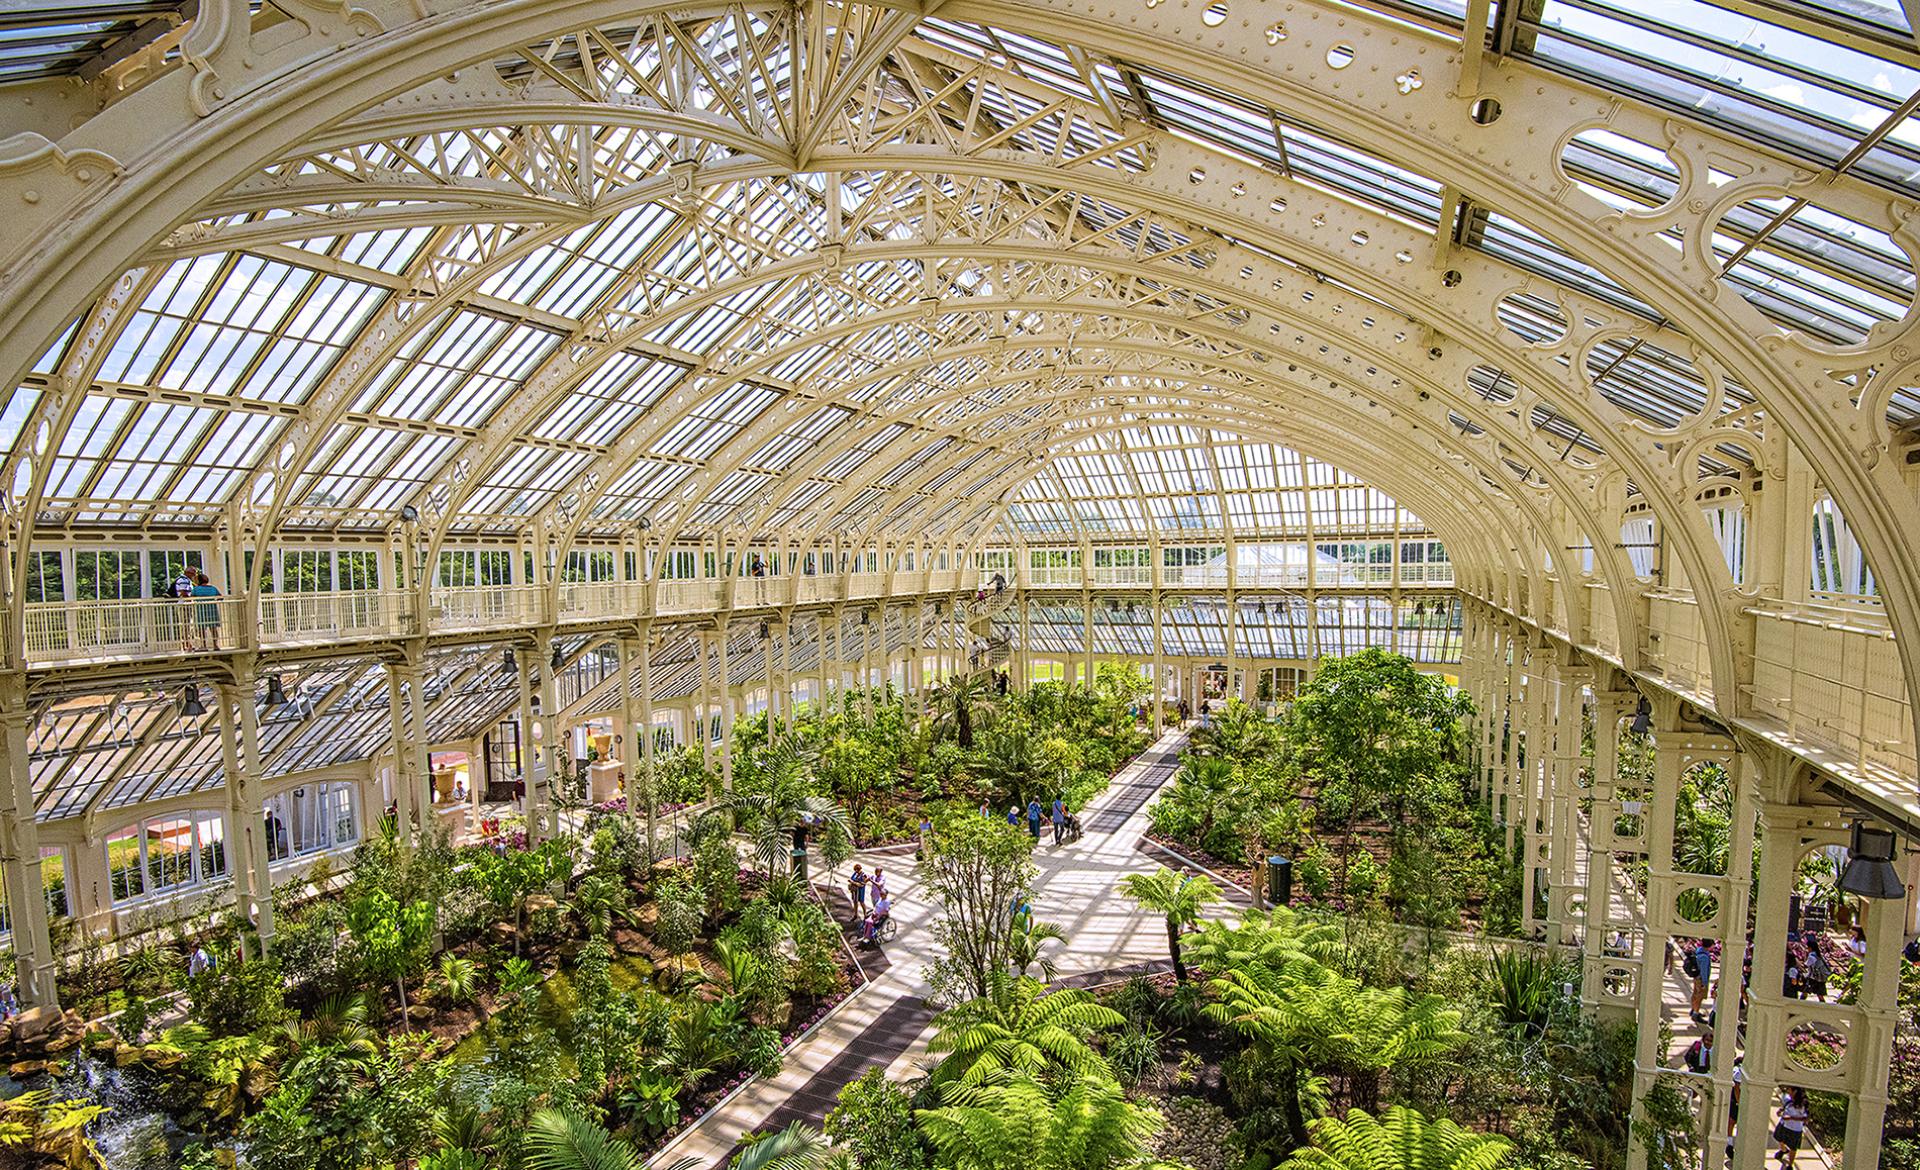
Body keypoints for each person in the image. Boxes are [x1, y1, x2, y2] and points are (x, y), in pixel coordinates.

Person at [1773, 1087, 1809, 1162]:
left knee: (1793, 1147)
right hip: (1783, 1125)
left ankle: (1790, 1164)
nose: (1788, 1091)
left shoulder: (1803, 1104)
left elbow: (1805, 1119)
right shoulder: (1788, 1099)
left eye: (1789, 1089)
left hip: (1795, 1129)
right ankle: (1783, 1150)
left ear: (1795, 1091)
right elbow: (1785, 1106)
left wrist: (1791, 1118)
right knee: (1779, 1139)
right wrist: (1780, 1111)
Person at [191, 571, 223, 650]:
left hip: (201, 611)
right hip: (212, 610)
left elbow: (191, 597)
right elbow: (220, 597)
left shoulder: (196, 589)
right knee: (213, 629)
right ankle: (215, 645)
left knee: (202, 629)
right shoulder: (213, 588)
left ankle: (203, 645)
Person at [1689, 938, 1713, 1021]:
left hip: (1696, 977)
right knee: (1700, 996)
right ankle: (1696, 1013)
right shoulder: (1704, 957)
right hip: (1701, 979)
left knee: (1695, 993)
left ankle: (1693, 1009)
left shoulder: (1699, 951)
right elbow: (1704, 971)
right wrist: (1705, 983)